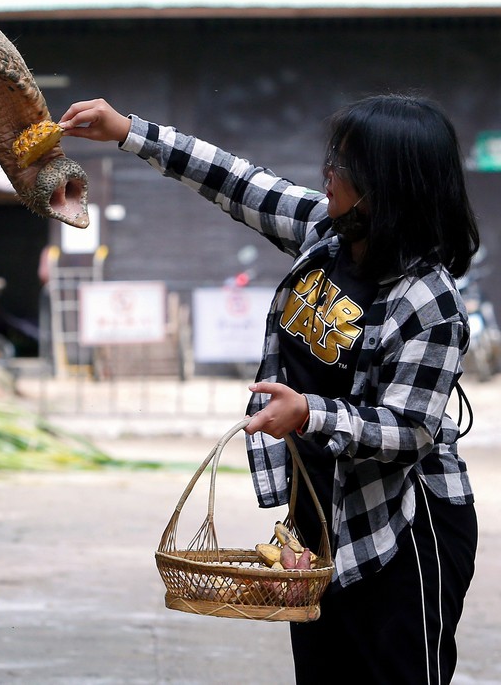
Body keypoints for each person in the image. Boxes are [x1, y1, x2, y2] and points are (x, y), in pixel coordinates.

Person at [58, 94, 478, 685]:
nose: (328, 174)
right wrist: (127, 131)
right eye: (333, 158)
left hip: (404, 529)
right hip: (318, 521)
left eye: (347, 167)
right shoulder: (325, 235)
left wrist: (310, 414)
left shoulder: (429, 301)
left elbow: (408, 431)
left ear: (391, 186)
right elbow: (237, 182)